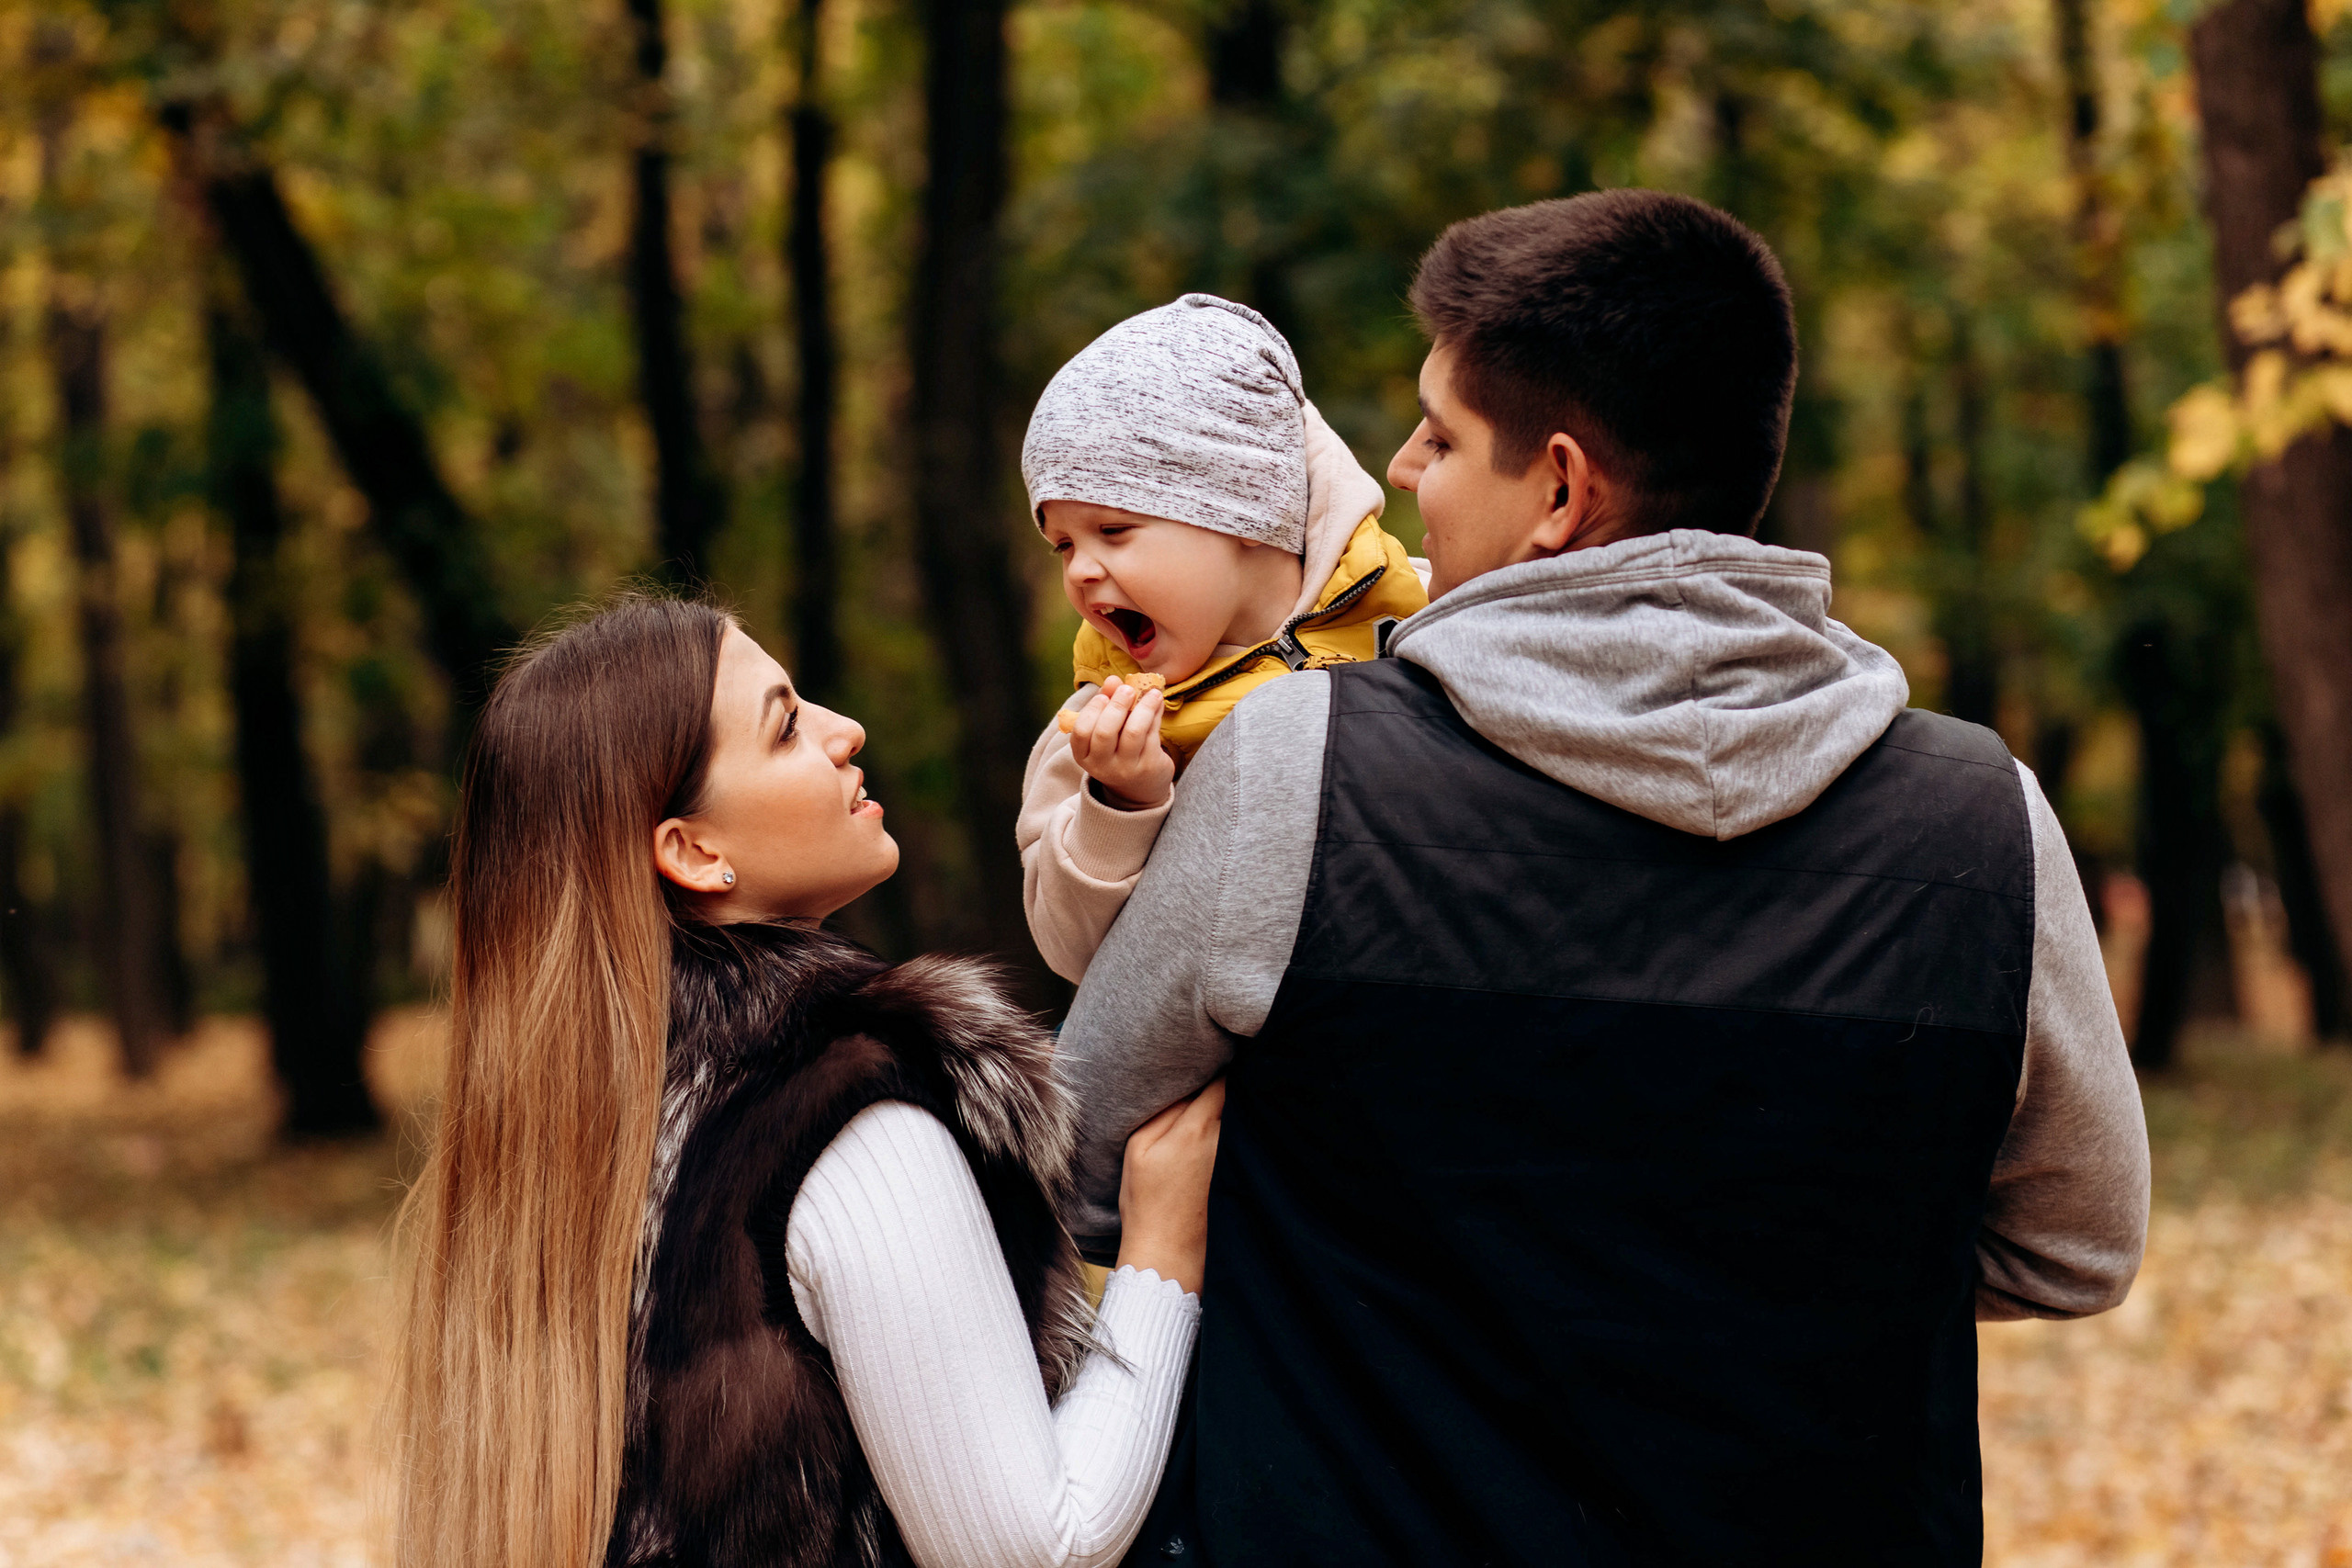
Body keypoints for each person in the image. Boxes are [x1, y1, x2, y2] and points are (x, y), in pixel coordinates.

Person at [1053, 192, 2151, 1564]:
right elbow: (2079, 1243)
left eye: (1442, 435)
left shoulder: (1302, 768)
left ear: (1561, 491)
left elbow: (1084, 1156)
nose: (1401, 469)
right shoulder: (1985, 821)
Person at [387, 595, 1221, 1568]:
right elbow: (1034, 1546)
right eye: (785, 727)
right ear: (694, 853)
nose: (842, 730)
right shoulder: (840, 1124)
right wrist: (1163, 1254)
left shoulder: (590, 1135)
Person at [1016, 293, 1428, 983]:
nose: (1082, 569)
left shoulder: (1423, 614)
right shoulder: (1101, 731)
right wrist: (1122, 804)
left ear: (1244, 510)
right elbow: (1070, 952)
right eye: (1062, 544)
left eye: (1113, 530)